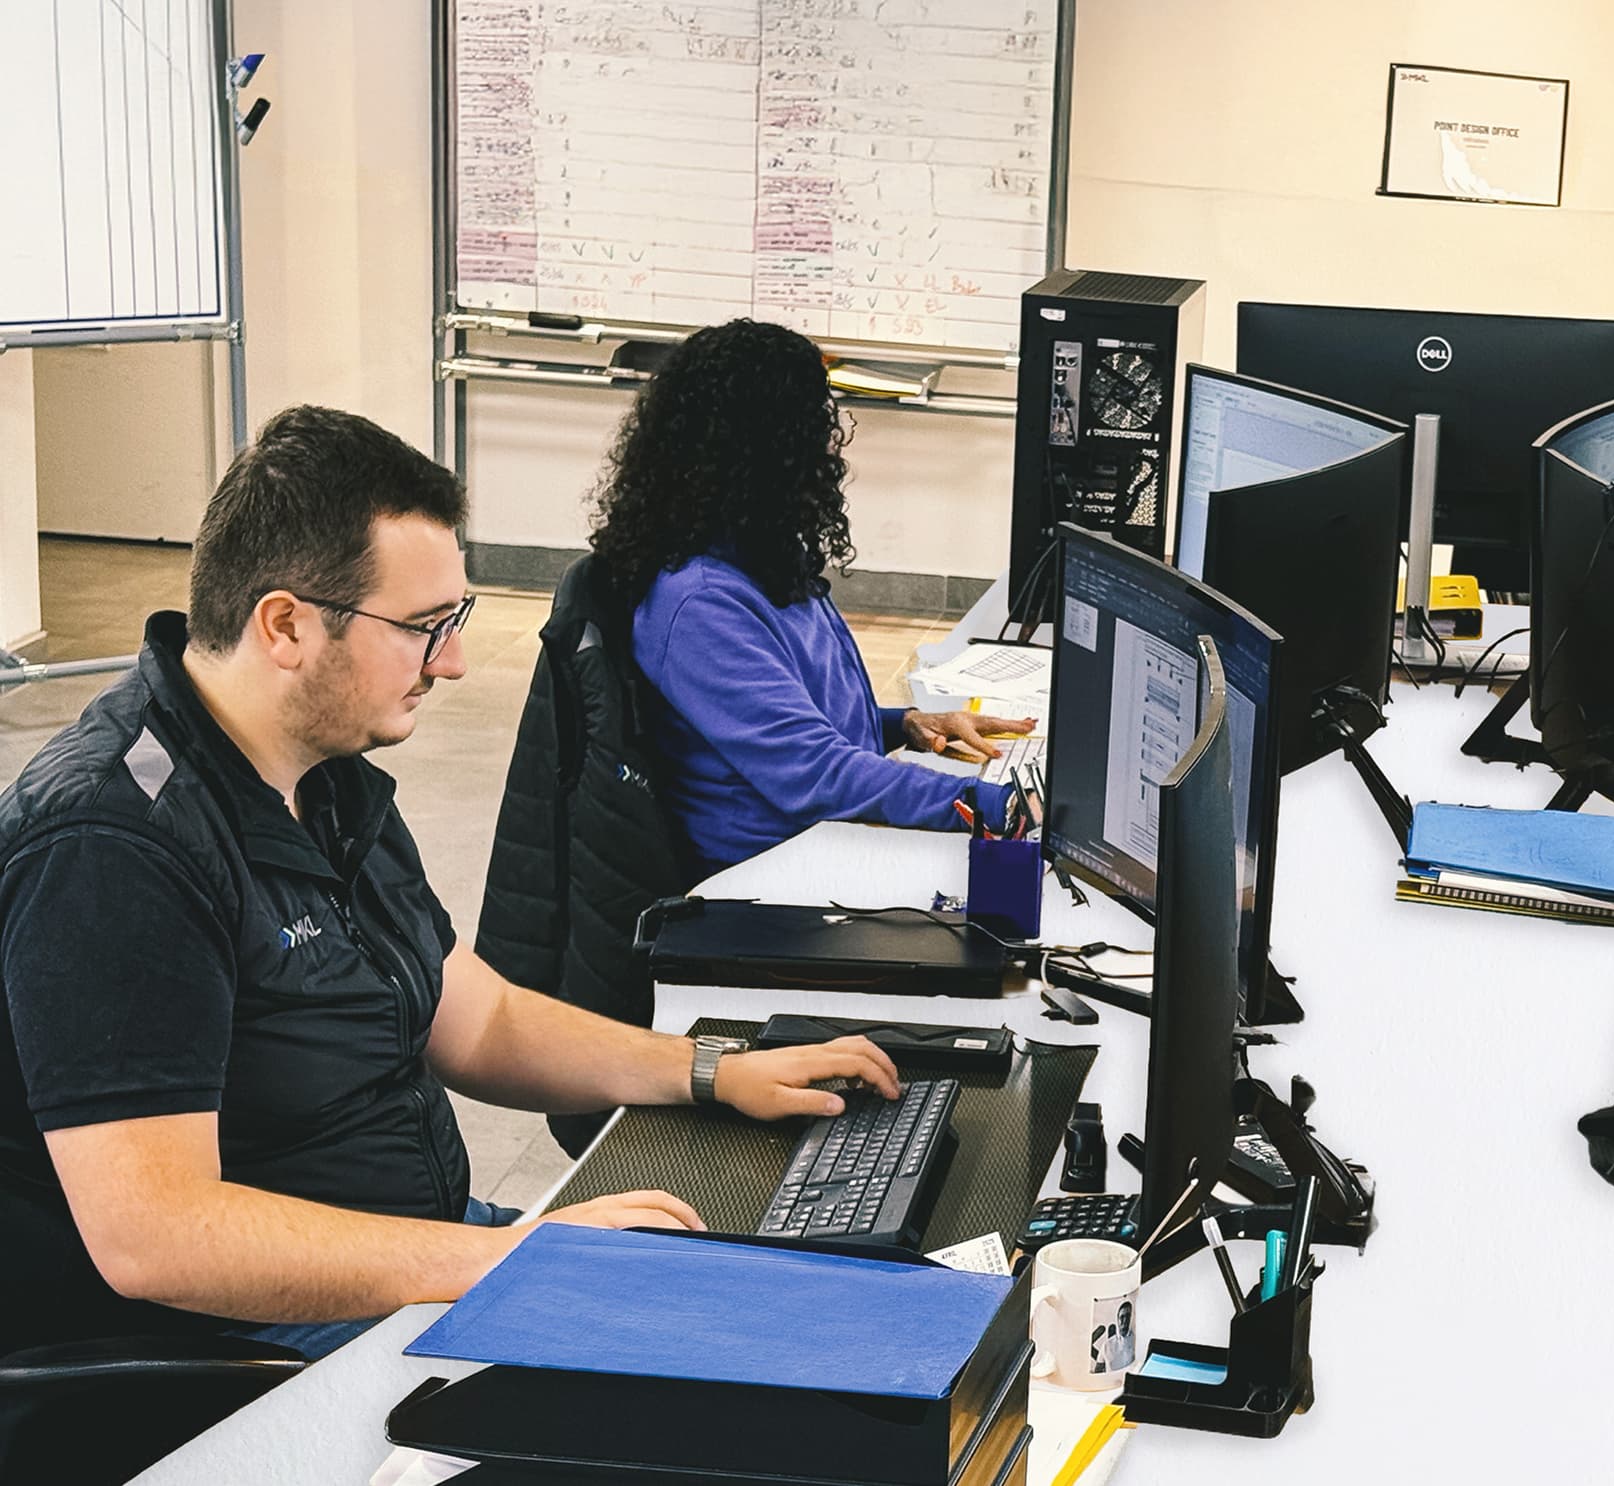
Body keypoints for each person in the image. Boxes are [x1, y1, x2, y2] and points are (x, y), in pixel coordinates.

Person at [0, 407, 909, 1358]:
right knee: (754, 1366)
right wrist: (509, 1260)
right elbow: (157, 1238)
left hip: (424, 1252)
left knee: (794, 1296)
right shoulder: (113, 847)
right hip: (251, 1344)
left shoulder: (319, 766)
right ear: (285, 626)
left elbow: (477, 1020)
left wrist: (713, 1069)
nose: (459, 661)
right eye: (425, 627)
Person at [586, 318, 1032, 877]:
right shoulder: (700, 603)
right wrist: (1003, 805)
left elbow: (794, 721)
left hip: (823, 838)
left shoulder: (759, 555)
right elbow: (815, 773)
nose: (828, 446)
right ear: (770, 449)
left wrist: (905, 723)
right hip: (774, 876)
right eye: (815, 426)